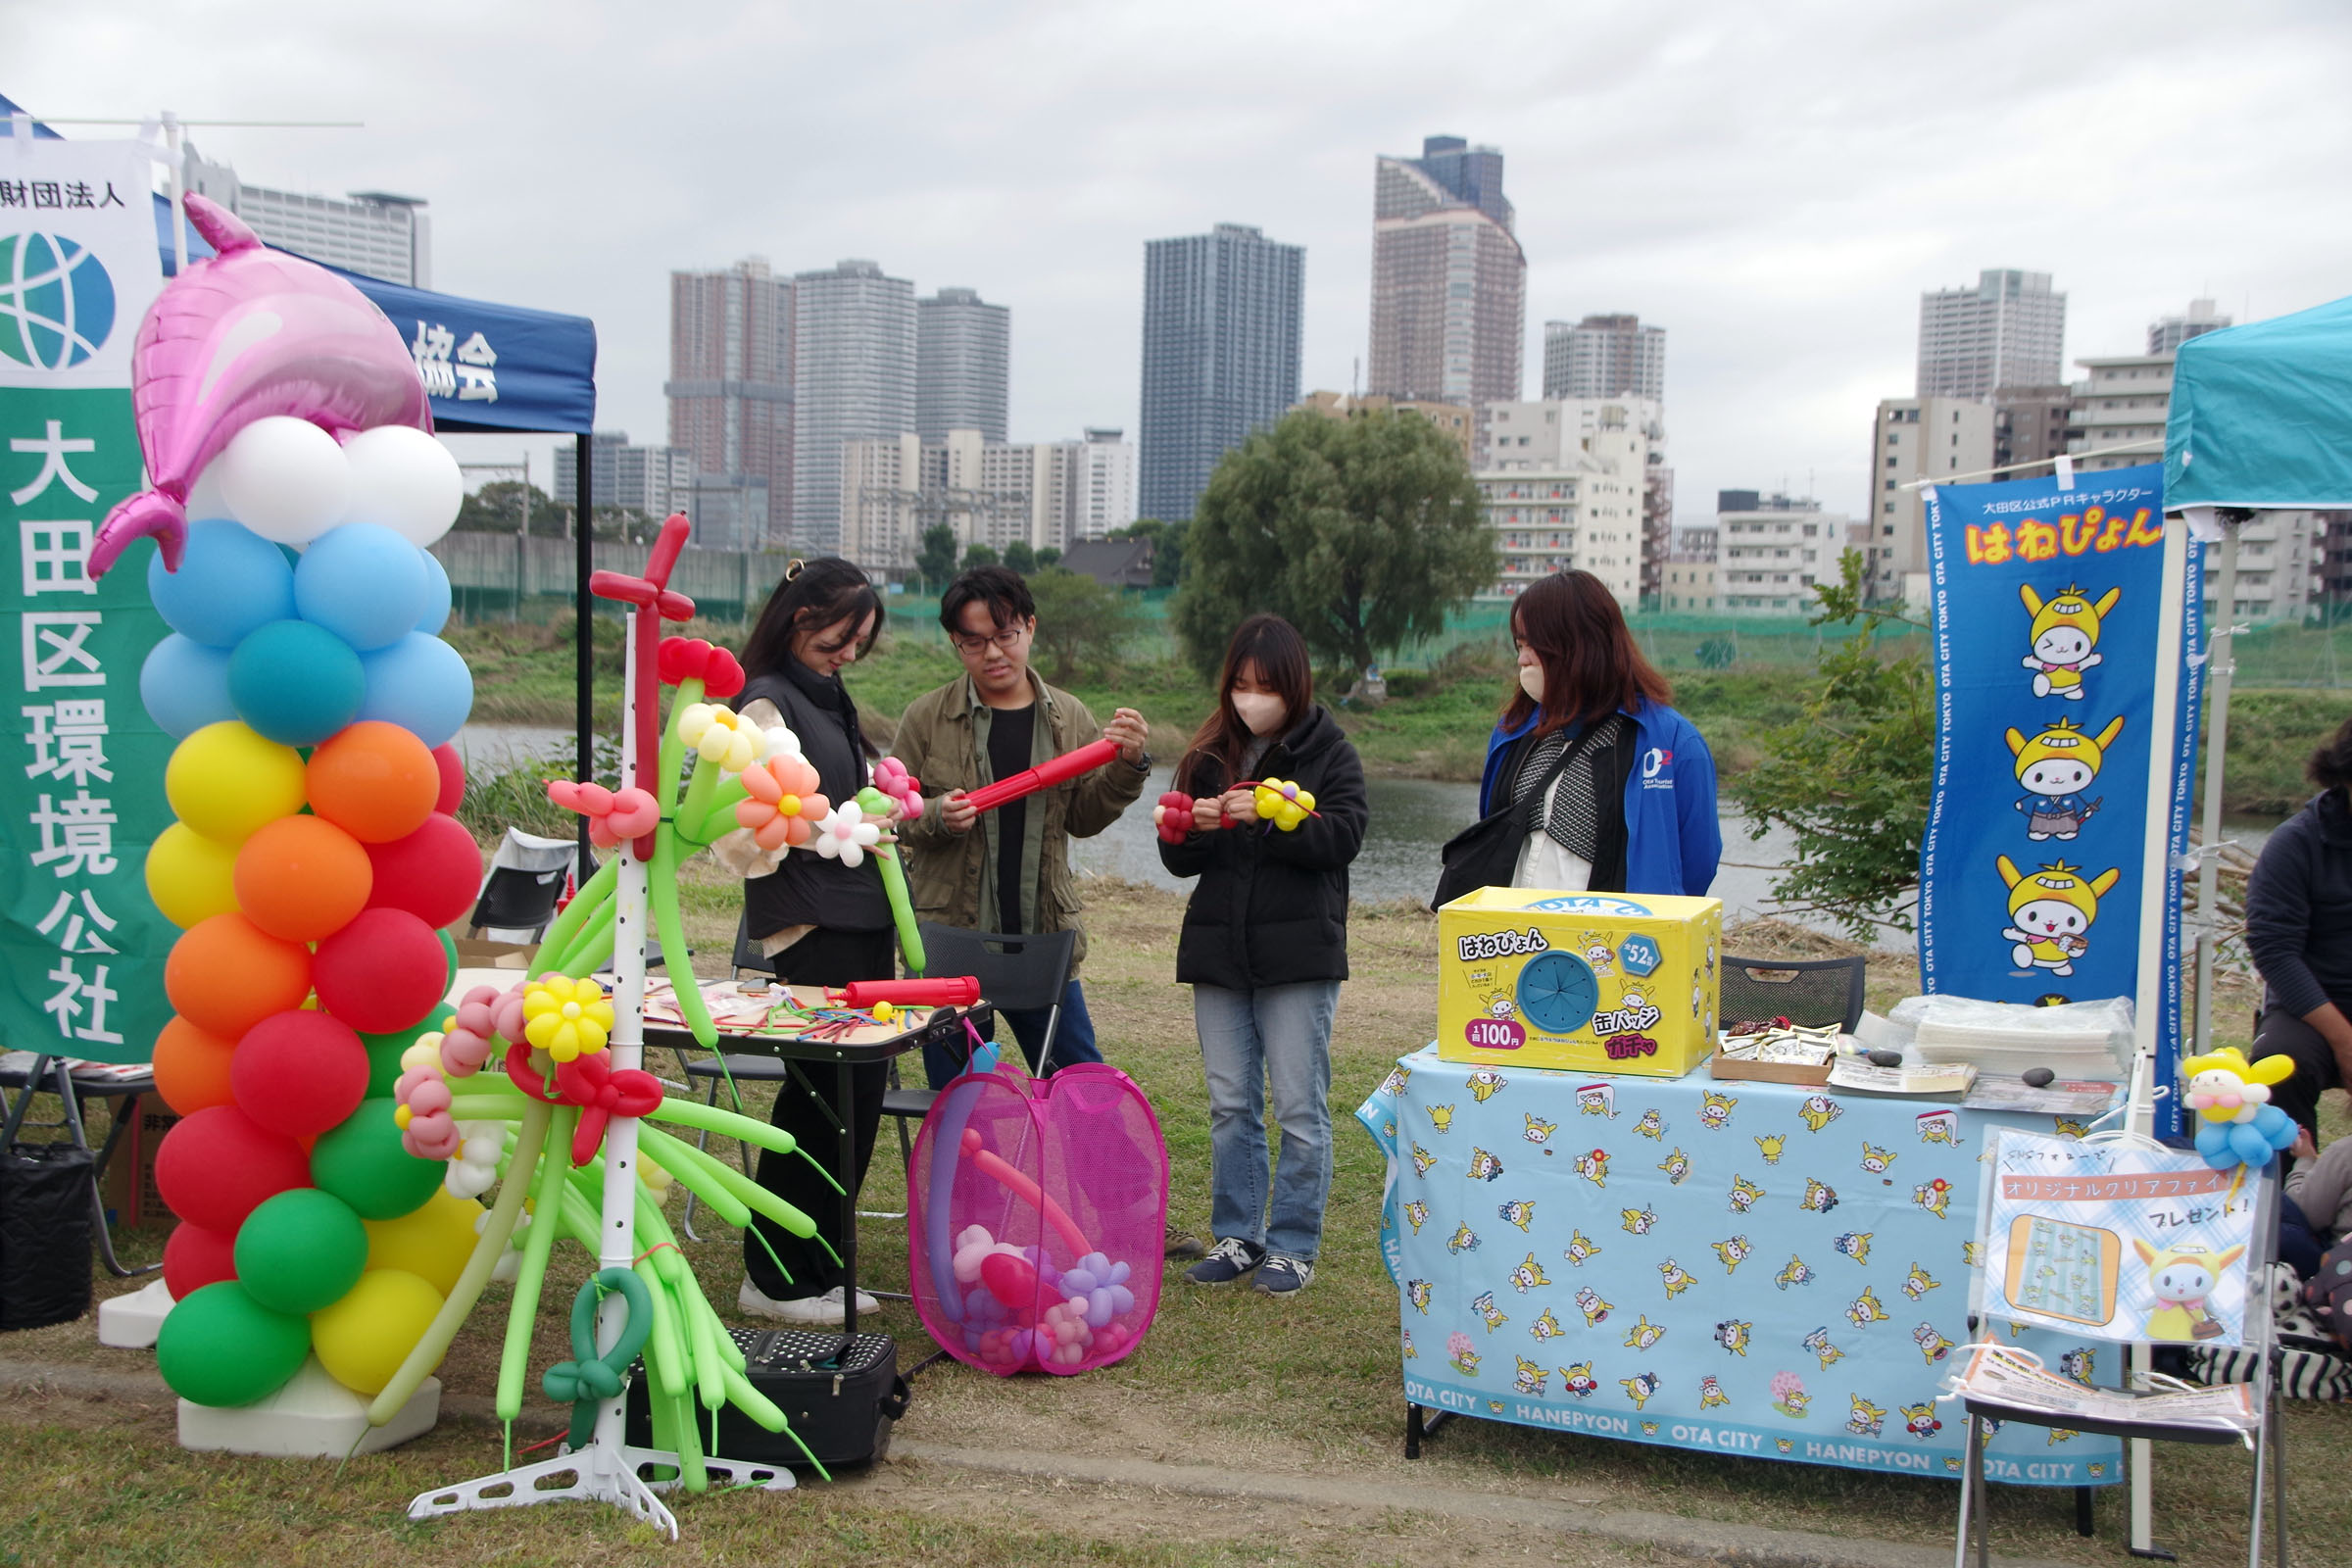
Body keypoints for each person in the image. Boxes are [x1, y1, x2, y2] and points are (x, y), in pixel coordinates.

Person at [1157, 614, 1366, 1297]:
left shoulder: (1327, 751)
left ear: (1294, 686)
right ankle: (1239, 1236)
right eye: (1241, 685)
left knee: (1300, 1108)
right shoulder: (1210, 754)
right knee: (1229, 1102)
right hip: (1219, 951)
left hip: (1298, 955)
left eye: (1266, 685)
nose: (1251, 698)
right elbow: (1176, 855)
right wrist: (1193, 826)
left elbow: (1342, 838)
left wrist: (1276, 818)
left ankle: (1293, 1245)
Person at [714, 558, 897, 1324]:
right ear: (801, 617)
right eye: (841, 635)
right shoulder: (764, 703)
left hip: (857, 914)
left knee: (859, 1095)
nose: (849, 651)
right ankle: (775, 1275)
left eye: (861, 641)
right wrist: (834, 825)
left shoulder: (826, 695)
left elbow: (832, 803)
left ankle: (818, 1265)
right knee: (822, 1099)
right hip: (812, 922)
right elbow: (744, 825)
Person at [892, 565, 1151, 1086]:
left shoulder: (1069, 717)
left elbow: (1083, 817)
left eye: (1005, 636)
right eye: (974, 642)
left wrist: (1129, 766)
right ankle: (964, 1172)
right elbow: (890, 817)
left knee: (1081, 1083)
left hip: (1041, 939)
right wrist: (938, 816)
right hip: (950, 944)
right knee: (959, 1098)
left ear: (1030, 628)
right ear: (955, 644)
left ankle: (1094, 1171)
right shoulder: (926, 718)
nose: (993, 653)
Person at [1478, 569, 1720, 898]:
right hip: (1518, 937)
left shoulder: (1672, 741)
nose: (1522, 659)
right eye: (1519, 645)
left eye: (1534, 646)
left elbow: (1697, 863)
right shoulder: (1513, 733)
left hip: (1612, 941)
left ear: (1578, 644)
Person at [2244, 715, 2352, 1138]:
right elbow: (2274, 949)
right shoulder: (2297, 843)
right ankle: (2287, 1196)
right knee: (2279, 1065)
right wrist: (2345, 1042)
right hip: (2313, 1004)